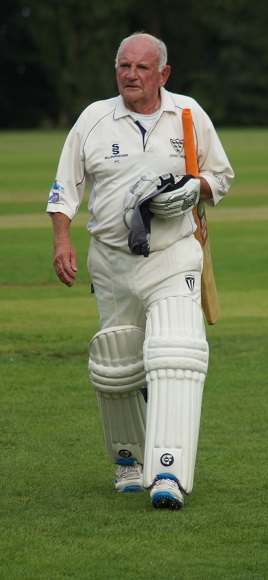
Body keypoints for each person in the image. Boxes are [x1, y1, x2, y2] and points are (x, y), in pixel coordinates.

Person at [47, 32, 234, 509]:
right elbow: (64, 189)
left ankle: (169, 474)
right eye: (124, 67)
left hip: (173, 254)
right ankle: (129, 460)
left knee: (175, 354)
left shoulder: (188, 115)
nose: (131, 75)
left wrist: (194, 191)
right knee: (120, 361)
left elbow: (222, 176)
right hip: (110, 259)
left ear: (163, 74)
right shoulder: (94, 119)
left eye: (142, 68)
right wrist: (62, 239)